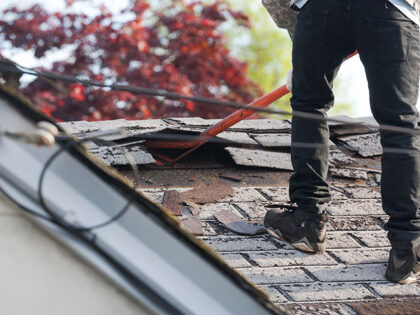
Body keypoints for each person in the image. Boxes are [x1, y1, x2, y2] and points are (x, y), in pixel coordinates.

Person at [263, 0, 420, 284]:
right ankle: (407, 248)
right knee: (399, 125)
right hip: (390, 10)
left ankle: (307, 221)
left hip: (323, 9)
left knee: (309, 107)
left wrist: (296, 30)